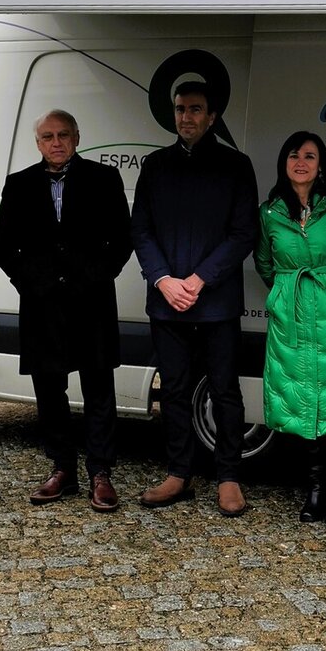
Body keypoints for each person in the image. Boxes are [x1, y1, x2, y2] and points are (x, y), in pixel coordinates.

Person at [130, 81, 258, 517]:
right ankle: (178, 474)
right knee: (177, 391)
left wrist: (200, 279)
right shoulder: (155, 165)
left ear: (212, 116)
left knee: (224, 391)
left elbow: (244, 233)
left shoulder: (236, 166)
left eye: (195, 109)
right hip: (167, 301)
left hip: (216, 301)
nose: (186, 117)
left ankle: (228, 477)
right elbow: (140, 230)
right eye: (181, 108)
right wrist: (164, 279)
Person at [0, 110, 133, 511]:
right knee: (49, 390)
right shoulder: (19, 184)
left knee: (99, 389)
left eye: (64, 135)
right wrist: (31, 283)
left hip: (92, 301)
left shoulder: (104, 179)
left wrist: (94, 276)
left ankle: (101, 473)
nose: (56, 142)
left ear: (77, 137)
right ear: (37, 142)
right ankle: (62, 470)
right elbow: (5, 245)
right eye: (48, 136)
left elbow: (122, 239)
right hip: (41, 305)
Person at [255, 131, 326, 525]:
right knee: (306, 405)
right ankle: (315, 487)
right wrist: (286, 295)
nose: (300, 162)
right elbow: (266, 264)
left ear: (322, 164)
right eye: (293, 155)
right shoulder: (269, 212)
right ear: (283, 163)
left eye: (309, 155)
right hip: (292, 318)